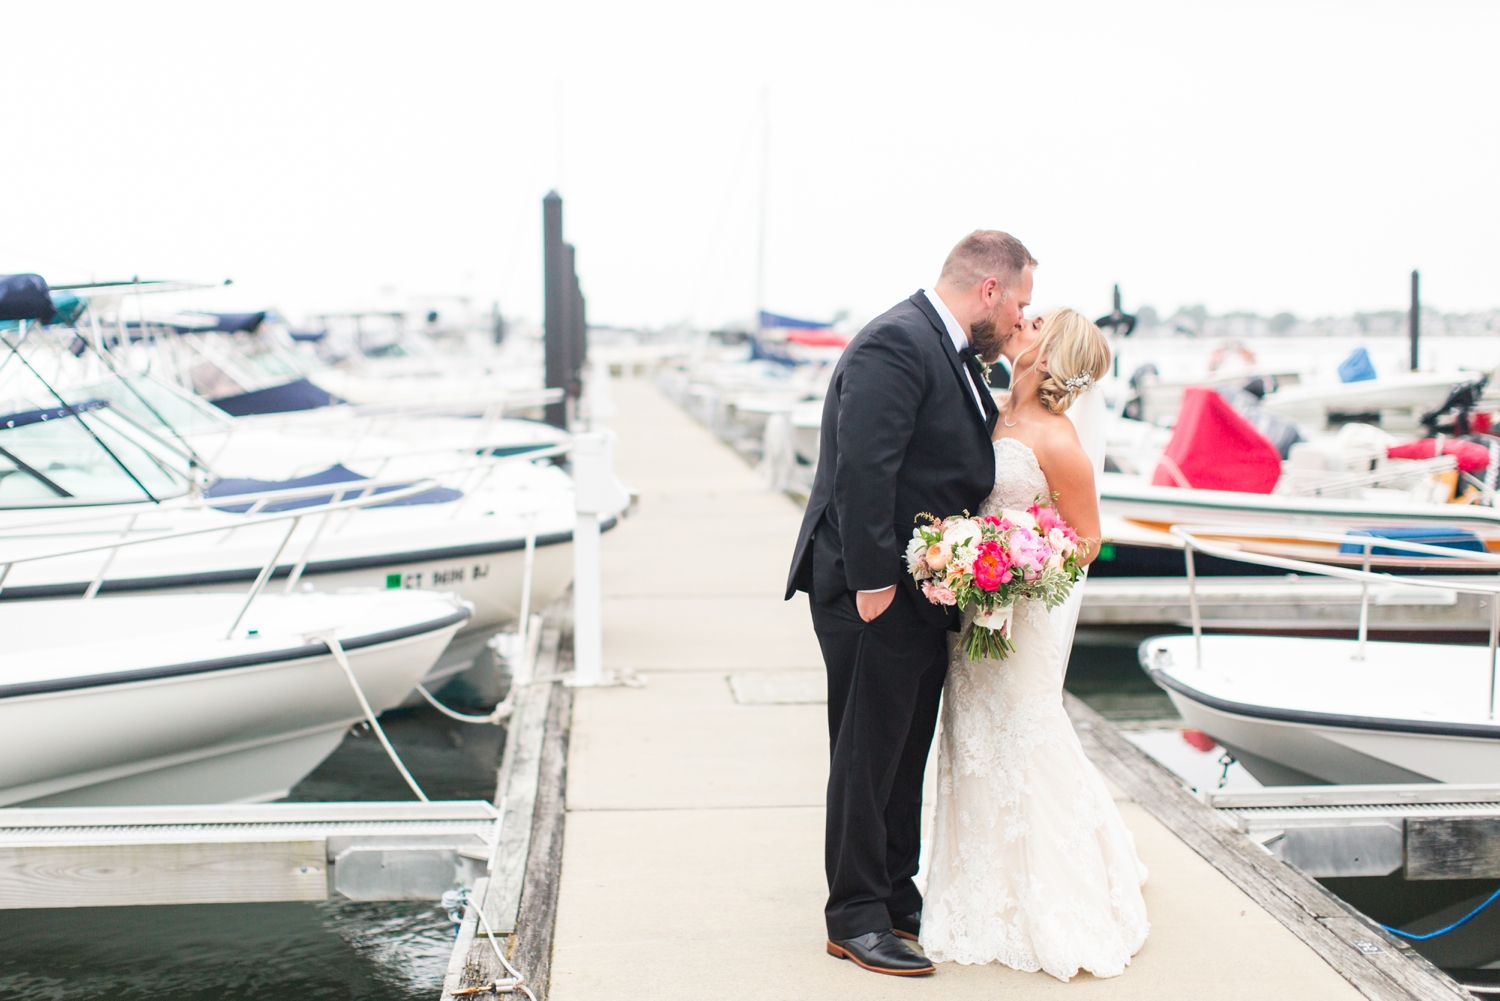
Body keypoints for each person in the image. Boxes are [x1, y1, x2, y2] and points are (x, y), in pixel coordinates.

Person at [786, 230, 1034, 977]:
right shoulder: (896, 342)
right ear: (988, 288)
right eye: (1020, 300)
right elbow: (867, 469)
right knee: (867, 755)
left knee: (902, 753)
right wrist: (874, 586)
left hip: (920, 590)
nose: (1023, 315)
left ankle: (895, 894)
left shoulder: (950, 349)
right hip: (873, 590)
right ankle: (855, 915)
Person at [919, 308, 1150, 981]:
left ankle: (1057, 893)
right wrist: (966, 556)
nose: (1027, 318)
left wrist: (1020, 567)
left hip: (1020, 617)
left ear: (1051, 356)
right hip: (974, 611)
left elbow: (1085, 539)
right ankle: (975, 882)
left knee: (1027, 734)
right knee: (971, 736)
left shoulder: (1059, 439)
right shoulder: (991, 410)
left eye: (1040, 322)